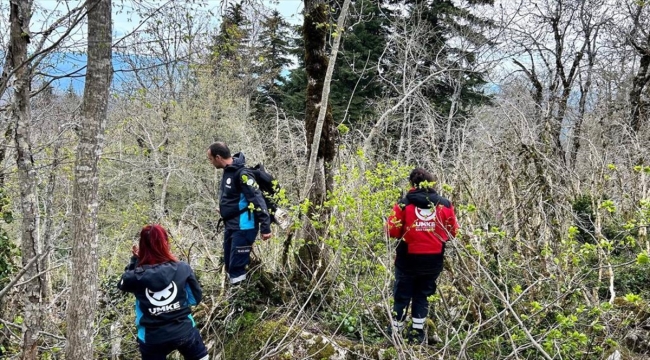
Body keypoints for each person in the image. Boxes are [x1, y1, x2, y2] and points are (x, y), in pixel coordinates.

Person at [386, 168, 459, 344]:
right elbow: (452, 232)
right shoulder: (444, 204)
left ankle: (395, 334)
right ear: (431, 183)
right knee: (423, 296)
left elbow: (392, 231)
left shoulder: (403, 204)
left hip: (407, 261)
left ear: (412, 184)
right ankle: (417, 334)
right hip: (433, 261)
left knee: (401, 295)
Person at [118, 224, 208, 360]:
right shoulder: (182, 268)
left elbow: (122, 284)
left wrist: (135, 260)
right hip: (184, 331)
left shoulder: (135, 276)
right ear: (166, 243)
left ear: (142, 246)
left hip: (152, 338)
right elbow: (195, 299)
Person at [206, 142, 272, 285]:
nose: (210, 162)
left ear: (218, 157)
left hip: (244, 227)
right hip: (231, 225)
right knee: (230, 264)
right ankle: (235, 295)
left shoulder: (243, 174)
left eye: (210, 159)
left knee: (236, 267)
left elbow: (257, 199)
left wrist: (265, 227)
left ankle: (239, 301)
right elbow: (234, 198)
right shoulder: (228, 171)